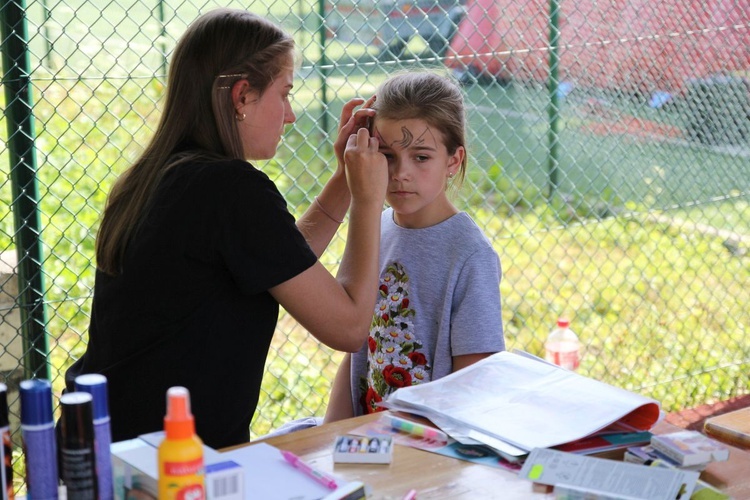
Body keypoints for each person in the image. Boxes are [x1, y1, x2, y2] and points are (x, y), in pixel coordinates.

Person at [63, 8, 387, 449]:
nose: (290, 115)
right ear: (241, 97)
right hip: (166, 465)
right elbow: (348, 328)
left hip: (106, 444)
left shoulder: (160, 174)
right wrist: (368, 200)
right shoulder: (229, 188)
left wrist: (343, 183)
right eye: (284, 94)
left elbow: (277, 264)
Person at [324, 71, 505, 422]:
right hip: (369, 440)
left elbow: (473, 381)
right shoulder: (373, 226)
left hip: (429, 449)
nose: (400, 173)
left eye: (421, 157)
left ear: (453, 160)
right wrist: (330, 435)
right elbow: (357, 347)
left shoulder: (469, 254)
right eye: (388, 155)